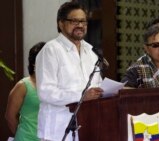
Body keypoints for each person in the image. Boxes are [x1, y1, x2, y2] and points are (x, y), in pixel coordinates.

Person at [35, 2, 103, 141]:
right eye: (74, 21)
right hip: (58, 132)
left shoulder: (91, 51)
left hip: (88, 128)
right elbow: (45, 92)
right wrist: (82, 95)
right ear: (61, 24)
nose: (80, 25)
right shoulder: (51, 50)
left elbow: (97, 85)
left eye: (83, 21)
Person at [5, 42, 45, 141]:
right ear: (34, 63)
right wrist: (24, 135)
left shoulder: (55, 86)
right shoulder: (23, 85)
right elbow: (9, 117)